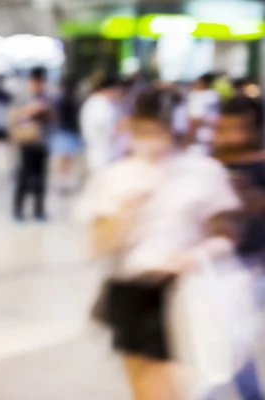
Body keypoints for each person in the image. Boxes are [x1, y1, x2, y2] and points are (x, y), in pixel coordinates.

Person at [76, 87, 242, 400]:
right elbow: (97, 246)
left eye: (158, 130)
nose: (151, 140)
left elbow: (226, 234)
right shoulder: (115, 176)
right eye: (142, 130)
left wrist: (196, 255)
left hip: (184, 294)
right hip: (130, 290)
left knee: (170, 389)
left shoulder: (202, 172)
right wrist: (125, 213)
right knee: (142, 385)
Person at [208, 96, 265, 400]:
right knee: (228, 336)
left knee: (237, 336)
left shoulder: (259, 163)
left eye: (237, 128)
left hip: (254, 264)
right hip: (220, 265)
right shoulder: (210, 164)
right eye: (222, 127)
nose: (229, 135)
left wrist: (248, 199)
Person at [10, 66, 54, 221]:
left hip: (42, 142)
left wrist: (46, 111)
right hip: (25, 143)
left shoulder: (46, 97)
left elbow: (52, 119)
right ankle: (18, 211)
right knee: (23, 177)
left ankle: (39, 210)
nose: (38, 84)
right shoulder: (21, 97)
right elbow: (13, 118)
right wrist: (30, 111)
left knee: (40, 179)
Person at [80, 75, 125, 171]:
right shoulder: (101, 104)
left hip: (102, 153)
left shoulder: (98, 102)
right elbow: (108, 130)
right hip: (104, 154)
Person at [52, 76, 83, 192]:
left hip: (65, 132)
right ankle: (63, 181)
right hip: (66, 132)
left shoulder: (63, 99)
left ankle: (64, 180)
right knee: (66, 158)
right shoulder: (69, 99)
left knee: (65, 159)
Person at [187, 73, 219, 152]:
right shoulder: (215, 95)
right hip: (215, 136)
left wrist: (187, 141)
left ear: (201, 82)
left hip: (199, 138)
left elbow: (194, 119)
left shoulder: (199, 96)